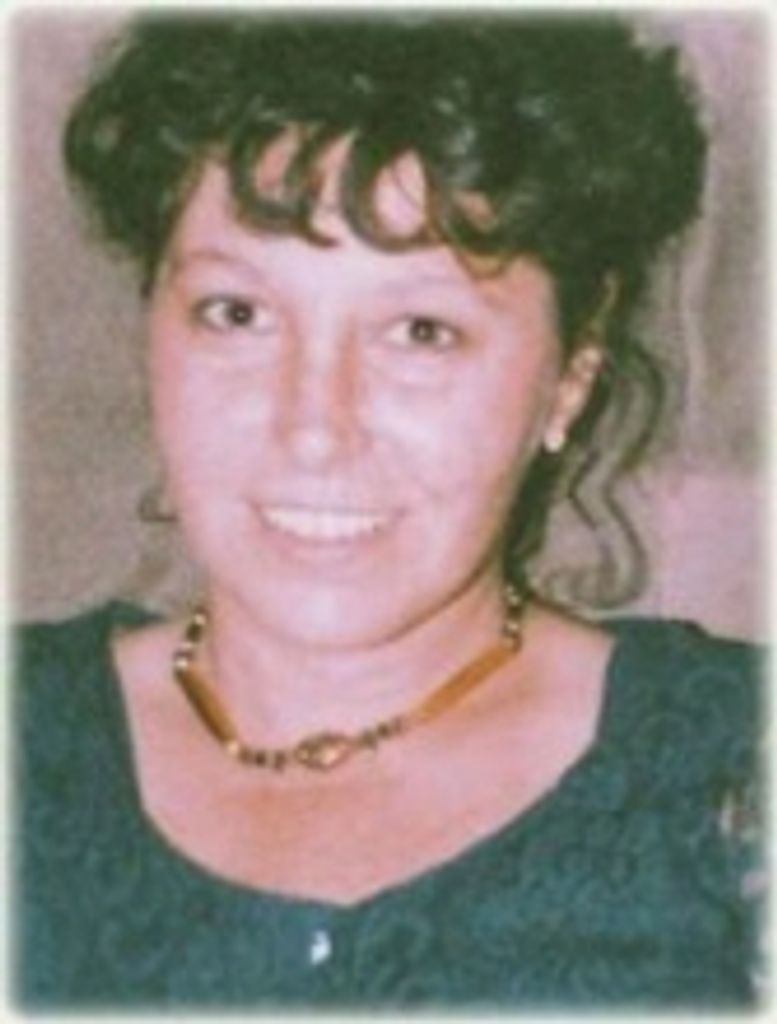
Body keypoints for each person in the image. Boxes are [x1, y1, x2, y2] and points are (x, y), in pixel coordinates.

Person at [14, 10, 764, 1010]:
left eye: (420, 330)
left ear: (568, 381)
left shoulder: (734, 771)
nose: (313, 427)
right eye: (238, 313)